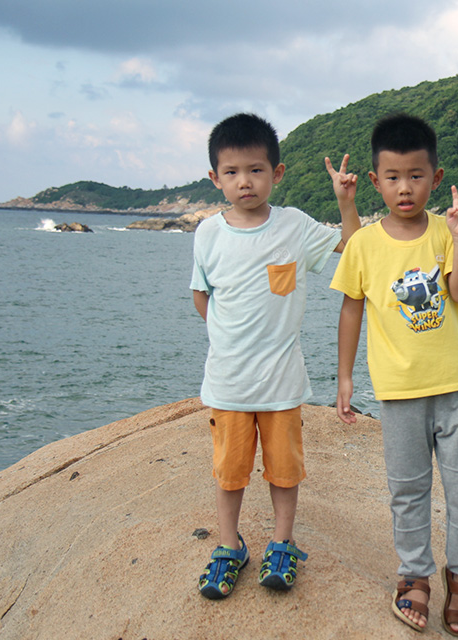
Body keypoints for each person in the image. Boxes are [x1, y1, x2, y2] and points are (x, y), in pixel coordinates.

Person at [190, 112, 360, 599]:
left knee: (284, 470)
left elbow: (350, 246)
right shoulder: (208, 234)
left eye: (256, 170)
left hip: (282, 383)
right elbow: (203, 297)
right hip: (229, 383)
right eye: (232, 172)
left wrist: (345, 202)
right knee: (230, 473)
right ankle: (230, 546)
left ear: (277, 173)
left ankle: (281, 543)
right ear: (215, 178)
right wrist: (232, 338)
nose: (245, 182)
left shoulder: (292, 226)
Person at [330, 113, 458, 636]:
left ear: (435, 178)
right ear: (376, 181)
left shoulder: (446, 231)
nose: (405, 188)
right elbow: (351, 308)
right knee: (408, 490)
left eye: (416, 176)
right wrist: (345, 378)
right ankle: (415, 576)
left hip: (455, 386)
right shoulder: (364, 245)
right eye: (393, 177)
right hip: (397, 393)